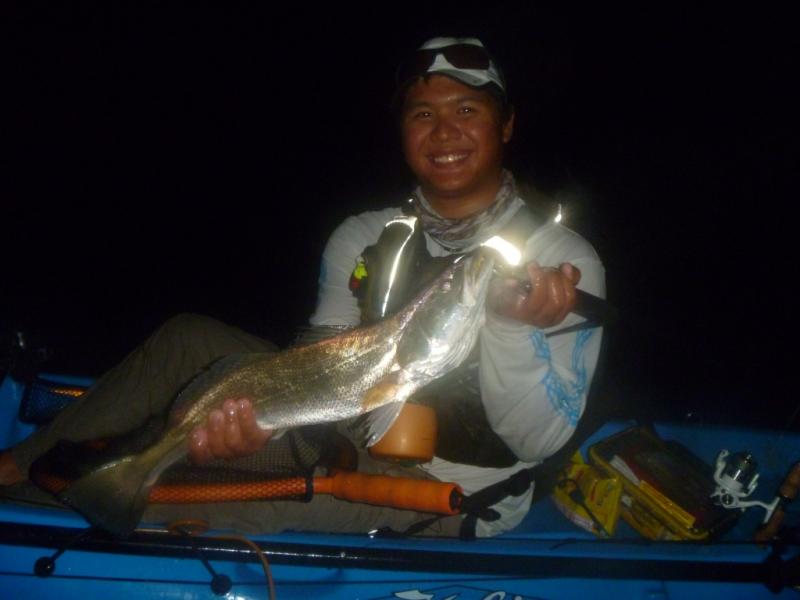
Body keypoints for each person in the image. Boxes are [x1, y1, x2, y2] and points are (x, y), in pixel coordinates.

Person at [0, 37, 605, 538]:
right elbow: (318, 362)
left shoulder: (563, 261)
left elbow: (540, 441)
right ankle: (16, 467)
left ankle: (51, 510)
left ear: (507, 124)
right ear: (402, 130)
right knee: (188, 338)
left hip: (450, 495)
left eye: (467, 110)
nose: (444, 132)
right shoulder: (363, 236)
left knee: (223, 501)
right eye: (423, 114)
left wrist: (510, 328)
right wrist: (254, 424)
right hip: (341, 431)